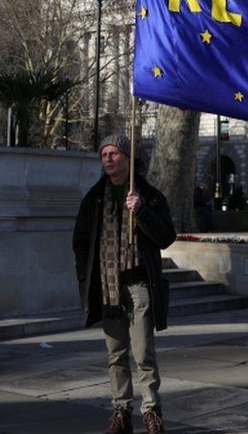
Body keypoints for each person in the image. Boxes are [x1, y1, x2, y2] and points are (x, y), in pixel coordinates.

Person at [72, 134, 176, 434]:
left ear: (129, 158)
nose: (108, 159)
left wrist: (141, 211)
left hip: (139, 282)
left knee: (143, 352)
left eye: (114, 153)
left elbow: (167, 236)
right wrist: (85, 276)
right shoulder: (94, 197)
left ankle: (151, 410)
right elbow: (79, 241)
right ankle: (121, 410)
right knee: (115, 353)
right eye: (104, 154)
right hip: (107, 286)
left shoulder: (150, 195)